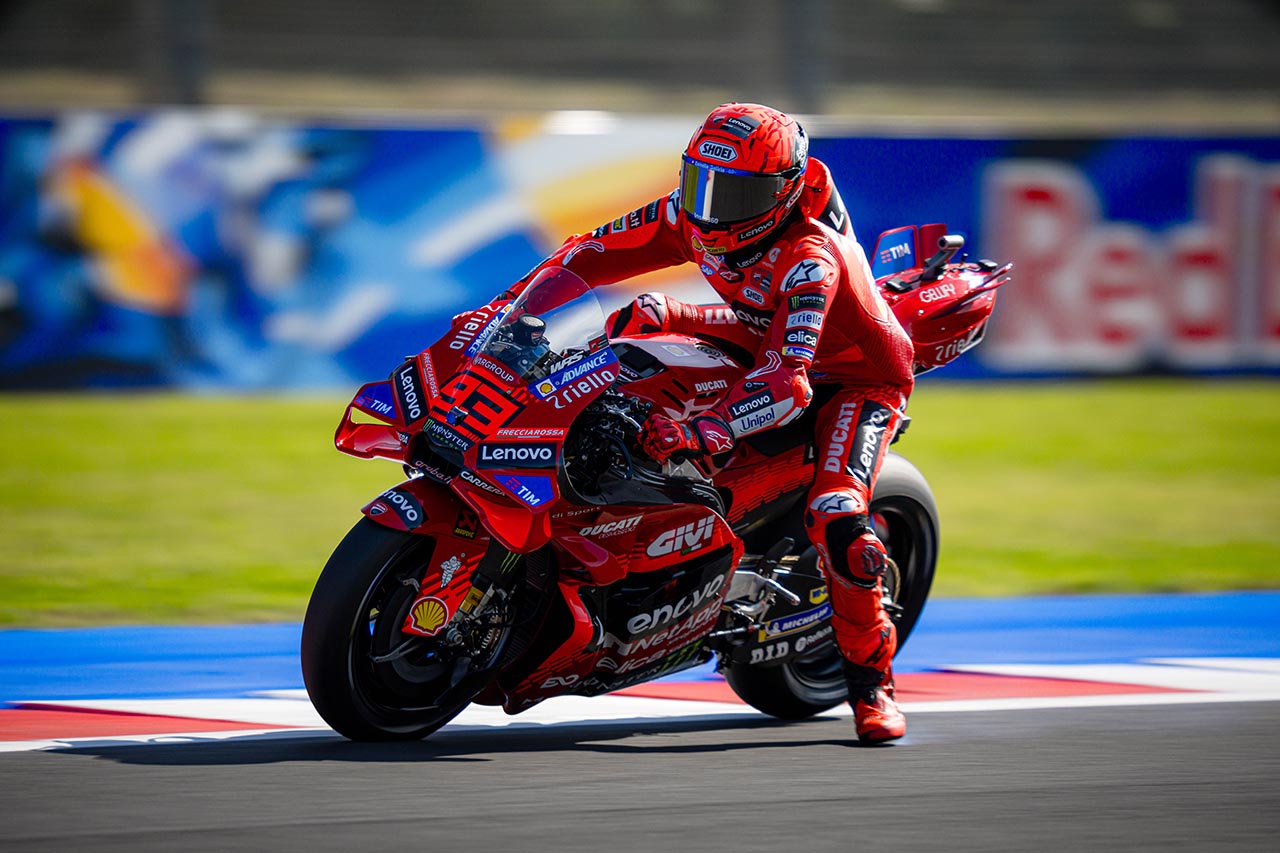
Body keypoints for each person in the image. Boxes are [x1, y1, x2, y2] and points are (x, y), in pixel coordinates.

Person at [499, 103, 915, 742]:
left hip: (848, 375)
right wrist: (508, 317)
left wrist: (704, 429)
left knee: (837, 514)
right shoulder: (683, 214)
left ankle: (871, 685)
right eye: (702, 184)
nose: (712, 210)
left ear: (783, 193)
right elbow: (583, 255)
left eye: (736, 194)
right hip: (760, 329)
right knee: (636, 328)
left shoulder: (810, 257)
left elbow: (787, 384)